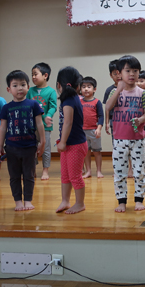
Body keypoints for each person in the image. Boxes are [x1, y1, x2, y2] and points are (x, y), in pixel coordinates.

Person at [106, 55, 145, 213]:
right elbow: (108, 107)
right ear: (119, 73)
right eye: (128, 71)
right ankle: (121, 201)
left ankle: (139, 199)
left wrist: (141, 120)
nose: (132, 74)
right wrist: (118, 90)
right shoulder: (114, 91)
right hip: (119, 140)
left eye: (135, 71)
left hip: (137, 139)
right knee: (119, 172)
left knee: (139, 171)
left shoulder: (142, 93)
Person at [0, 70, 45, 211]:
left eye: (23, 85)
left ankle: (28, 200)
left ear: (28, 87)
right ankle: (18, 201)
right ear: (9, 89)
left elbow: (39, 124)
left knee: (29, 175)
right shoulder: (6, 108)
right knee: (14, 176)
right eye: (15, 85)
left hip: (29, 146)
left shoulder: (33, 104)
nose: (19, 88)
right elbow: (3, 128)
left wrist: (42, 141)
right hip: (11, 147)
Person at [55, 66, 89, 215]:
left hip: (75, 144)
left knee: (75, 176)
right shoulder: (71, 98)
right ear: (78, 85)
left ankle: (80, 203)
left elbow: (68, 122)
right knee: (65, 175)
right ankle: (65, 201)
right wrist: (62, 141)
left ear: (58, 85)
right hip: (69, 144)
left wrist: (62, 142)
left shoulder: (69, 100)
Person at [28, 62, 57, 181]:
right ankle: (32, 170)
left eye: (36, 74)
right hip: (31, 126)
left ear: (45, 75)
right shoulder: (30, 91)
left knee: (46, 149)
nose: (33, 77)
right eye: (32, 74)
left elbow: (53, 106)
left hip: (45, 126)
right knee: (31, 148)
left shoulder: (51, 91)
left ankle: (45, 170)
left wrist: (48, 116)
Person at [79, 76, 104, 179]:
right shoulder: (79, 102)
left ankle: (99, 171)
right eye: (83, 87)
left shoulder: (97, 102)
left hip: (94, 131)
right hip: (82, 131)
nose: (86, 89)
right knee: (86, 152)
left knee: (97, 152)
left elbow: (101, 116)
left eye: (89, 87)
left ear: (94, 89)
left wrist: (99, 129)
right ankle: (88, 171)